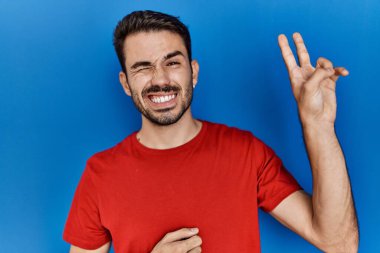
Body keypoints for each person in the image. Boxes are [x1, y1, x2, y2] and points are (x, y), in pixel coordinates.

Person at [63, 10, 359, 253]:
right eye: (143, 68)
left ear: (193, 72)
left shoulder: (245, 152)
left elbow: (339, 242)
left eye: (172, 62)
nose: (161, 79)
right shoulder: (100, 174)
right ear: (126, 84)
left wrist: (318, 125)